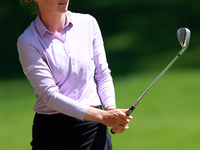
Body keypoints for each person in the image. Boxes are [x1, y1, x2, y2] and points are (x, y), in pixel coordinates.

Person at [17, 0, 133, 149]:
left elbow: (102, 74)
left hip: (95, 130)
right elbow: (49, 95)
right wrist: (103, 116)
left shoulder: (88, 23)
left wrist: (111, 112)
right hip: (54, 133)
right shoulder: (28, 41)